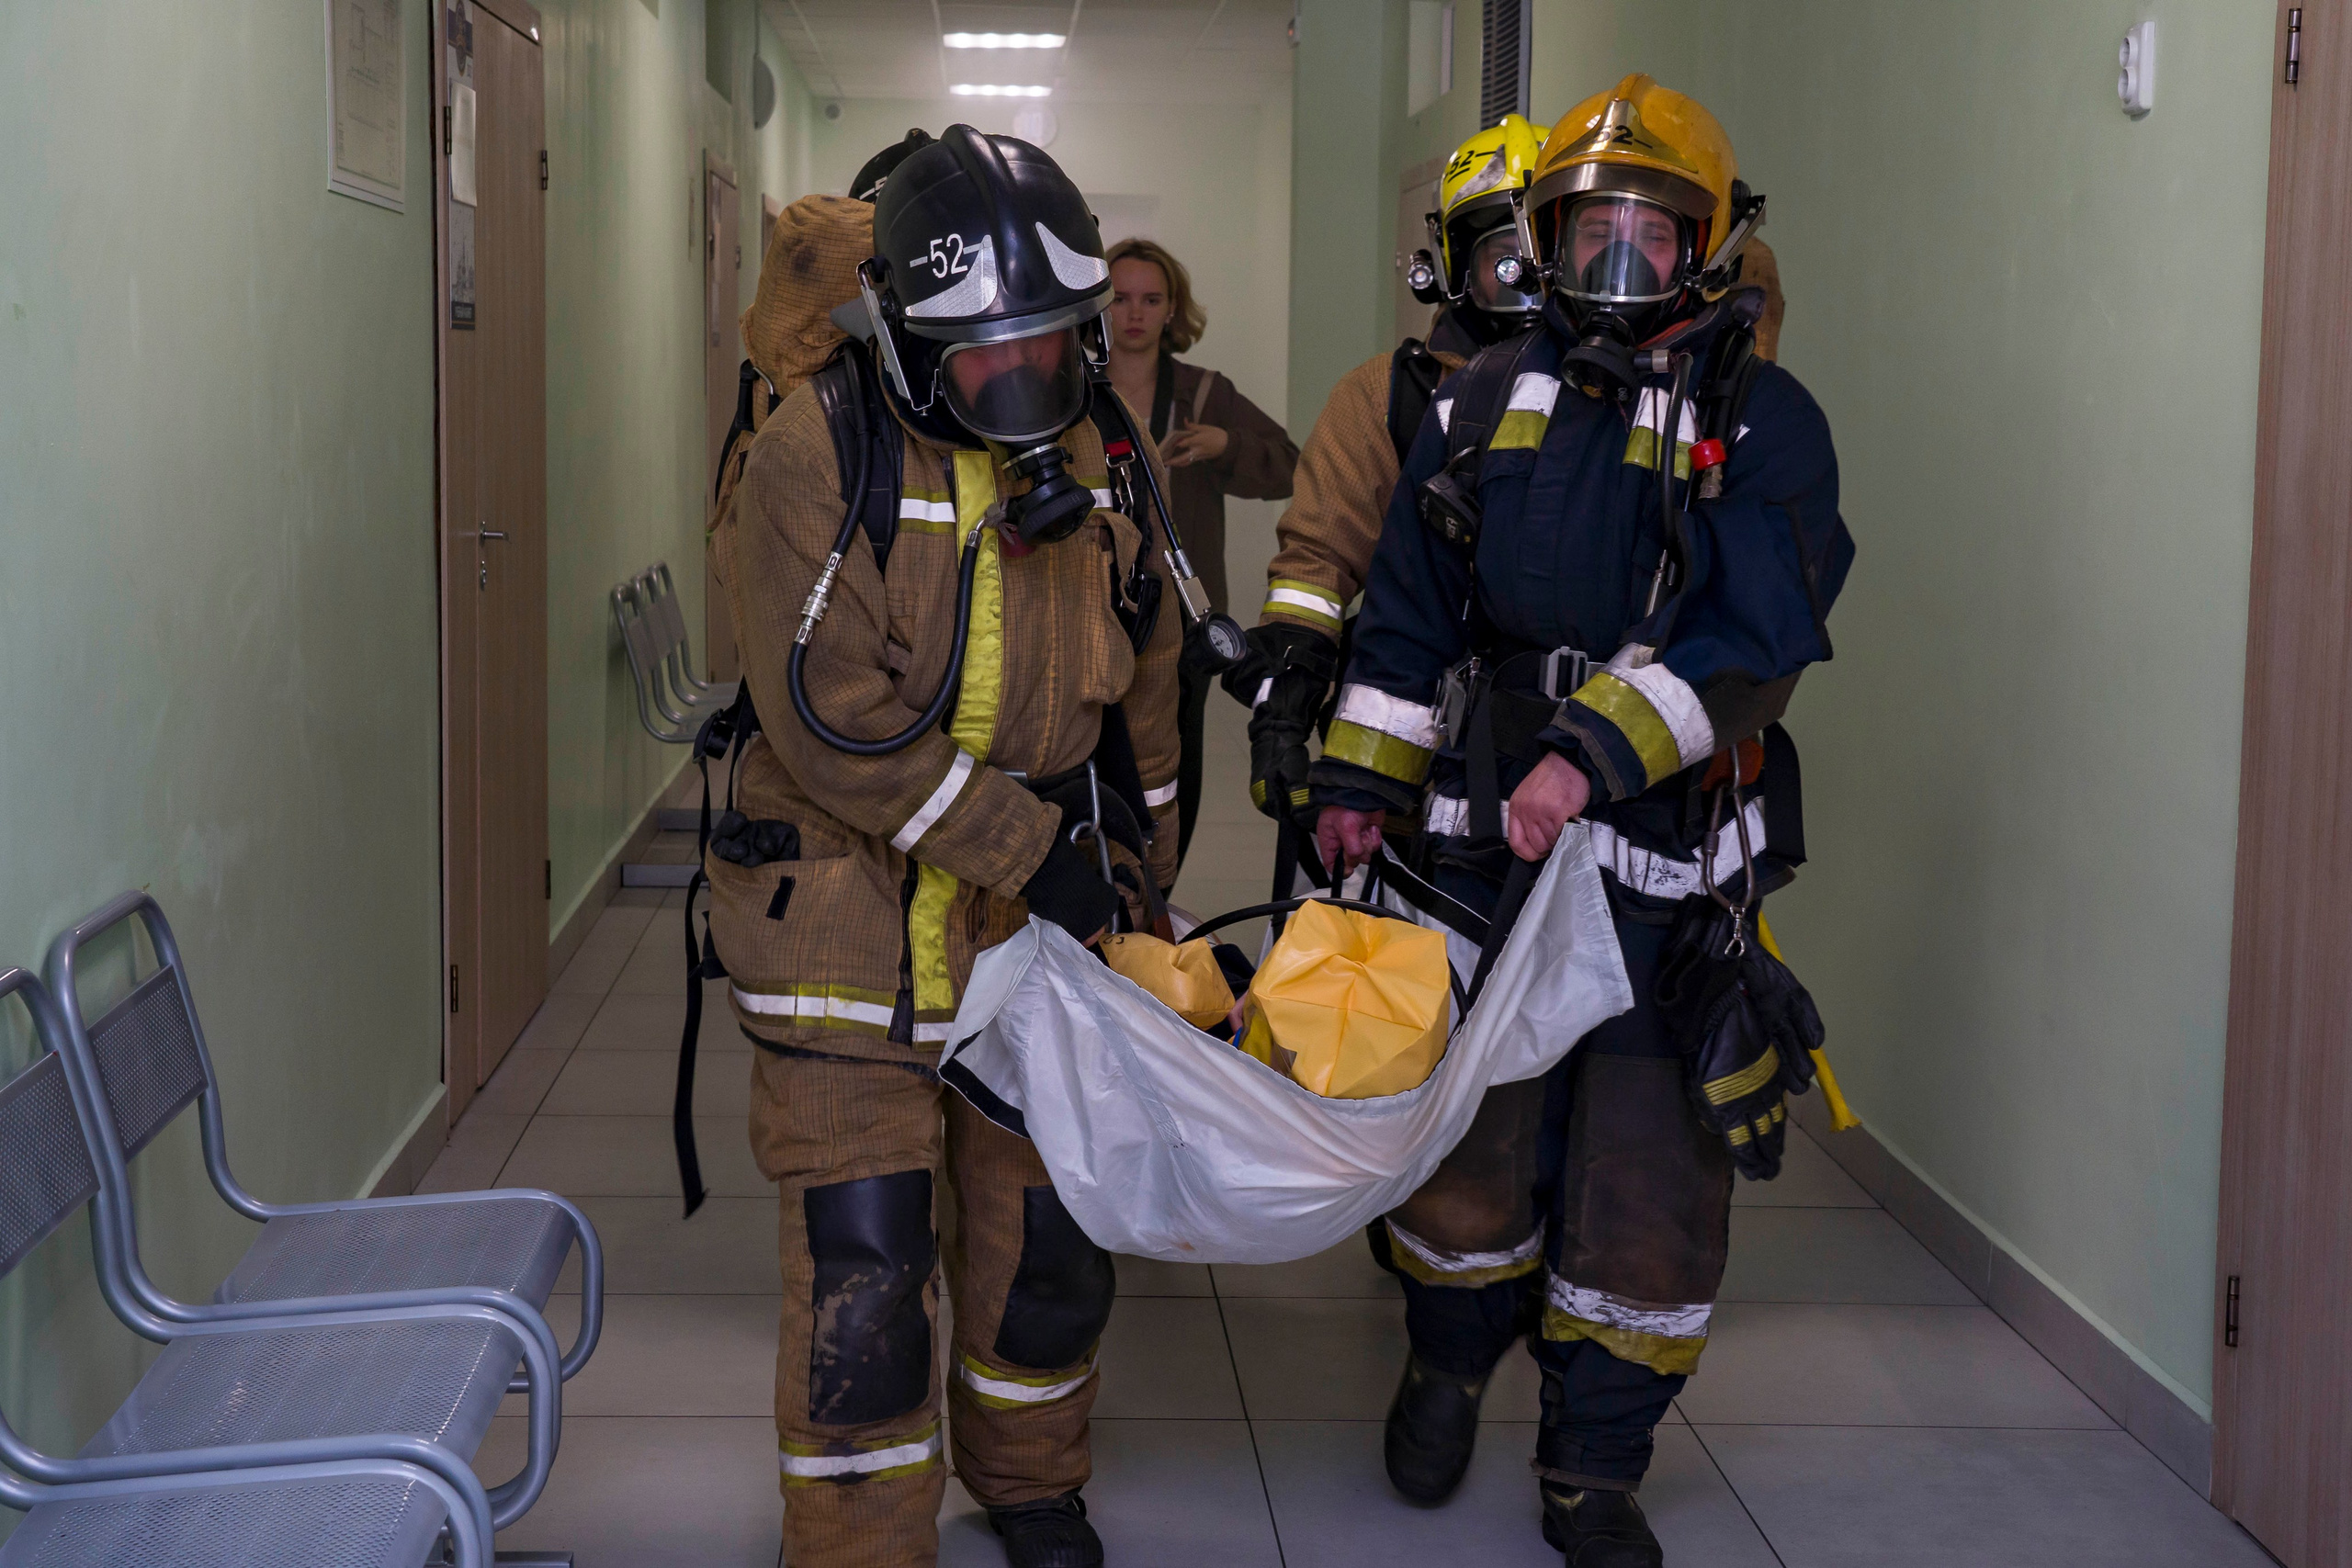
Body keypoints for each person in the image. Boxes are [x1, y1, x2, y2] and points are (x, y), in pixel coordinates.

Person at [1310, 76, 1853, 1564]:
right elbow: (1408, 610)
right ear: (1542, 241)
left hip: (1667, 868)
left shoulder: (1762, 419)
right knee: (1469, 1145)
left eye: (1652, 233)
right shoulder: (1480, 399)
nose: (1619, 259)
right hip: (1478, 846)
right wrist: (1358, 786)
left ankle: (1591, 1470)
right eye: (1590, 228)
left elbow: (1751, 635)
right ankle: (1447, 1359)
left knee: (1645, 1177)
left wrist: (1589, 756)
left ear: (1706, 248)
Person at [709, 124, 1181, 1568]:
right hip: (846, 914)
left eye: (1050, 343)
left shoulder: (1103, 448)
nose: (1026, 381)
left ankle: (1031, 1477)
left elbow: (1147, 673)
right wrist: (1031, 847)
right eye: (987, 355)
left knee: (1046, 1238)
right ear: (908, 338)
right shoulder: (817, 450)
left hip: (1035, 929)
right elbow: (832, 724)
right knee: (865, 1272)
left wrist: (1143, 873)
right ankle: (859, 1542)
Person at [1223, 116, 1788, 848]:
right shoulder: (1392, 397)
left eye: (1539, 253)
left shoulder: (1662, 397)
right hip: (1422, 769)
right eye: (1503, 257)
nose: (1528, 275)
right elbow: (1322, 564)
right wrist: (1288, 704)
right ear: (1455, 264)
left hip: (1624, 786)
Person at [1102, 236, 1297, 874]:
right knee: (1088, 754)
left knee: (1175, 761)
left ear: (1172, 309)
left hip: (1184, 618)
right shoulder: (1071, 388)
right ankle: (1104, 891)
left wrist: (1226, 445)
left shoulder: (1205, 394)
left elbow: (1289, 466)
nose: (1135, 313)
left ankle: (1160, 891)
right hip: (1088, 609)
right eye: (1120, 298)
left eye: (1151, 299)